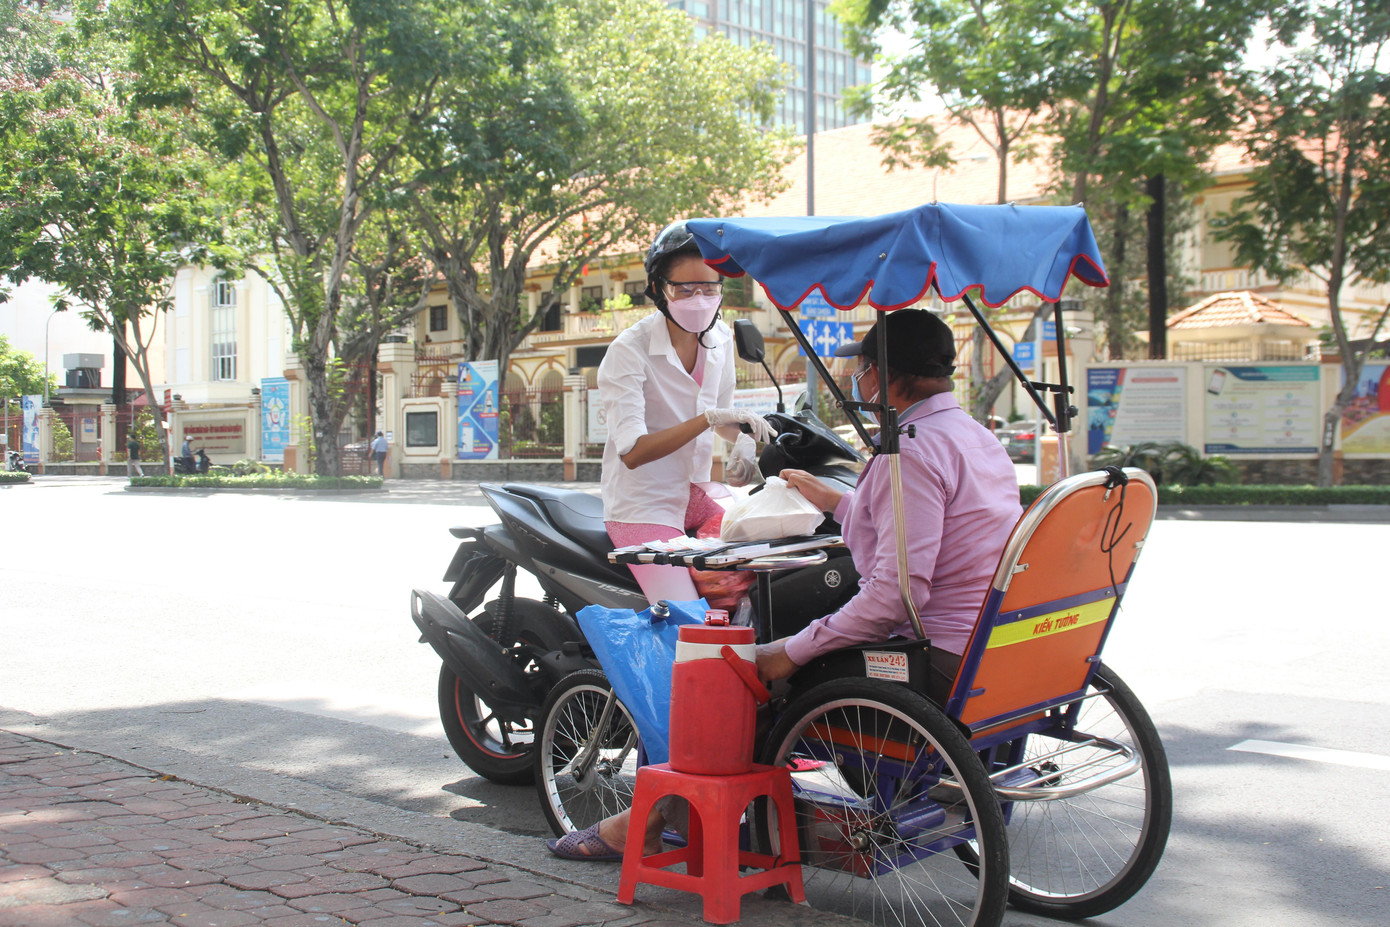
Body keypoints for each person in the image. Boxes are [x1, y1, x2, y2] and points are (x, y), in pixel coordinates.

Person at [547, 308, 1022, 862]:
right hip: (992, 647)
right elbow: (917, 525)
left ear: (887, 375)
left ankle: (648, 821)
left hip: (931, 660)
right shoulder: (972, 436)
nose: (859, 379)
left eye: (864, 366)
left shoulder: (910, 450)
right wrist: (834, 501)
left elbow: (894, 596)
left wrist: (789, 652)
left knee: (731, 679)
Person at [596, 220, 774, 604]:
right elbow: (633, 452)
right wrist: (708, 420)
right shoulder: (629, 351)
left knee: (761, 572)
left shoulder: (721, 338)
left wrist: (743, 440)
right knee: (688, 618)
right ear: (660, 290)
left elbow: (720, 417)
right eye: (685, 288)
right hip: (642, 502)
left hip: (697, 489)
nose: (699, 298)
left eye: (709, 287)